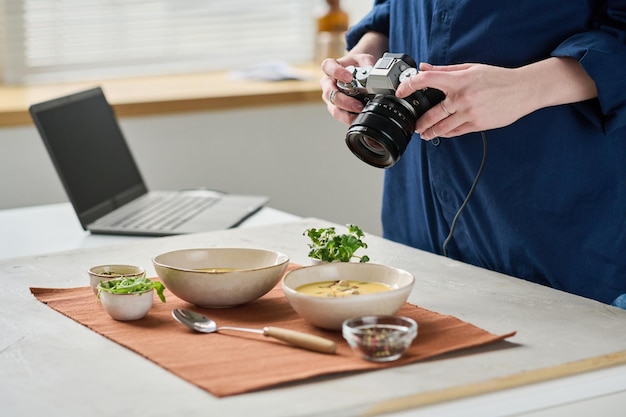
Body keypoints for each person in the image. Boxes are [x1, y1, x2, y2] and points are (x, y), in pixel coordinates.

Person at [320, 0, 626, 307]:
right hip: (416, 227)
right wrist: (365, 56)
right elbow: (393, 9)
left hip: (555, 236)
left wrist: (525, 87)